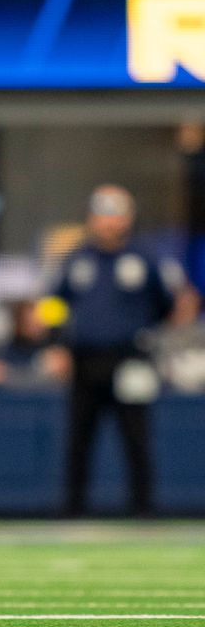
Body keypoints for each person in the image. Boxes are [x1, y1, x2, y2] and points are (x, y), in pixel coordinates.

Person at [46, 184, 197, 517]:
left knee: (136, 436)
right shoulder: (77, 257)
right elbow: (55, 304)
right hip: (84, 359)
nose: (109, 223)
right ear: (92, 218)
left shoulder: (145, 257)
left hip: (131, 359)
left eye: (116, 215)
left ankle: (141, 508)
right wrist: (56, 345)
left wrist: (142, 334)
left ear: (128, 219)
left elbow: (167, 304)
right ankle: (73, 509)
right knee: (79, 438)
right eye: (103, 215)